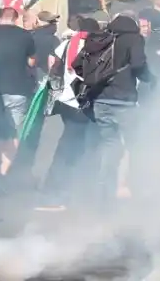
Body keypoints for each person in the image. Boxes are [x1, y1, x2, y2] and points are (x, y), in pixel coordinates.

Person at [72, 13, 154, 207]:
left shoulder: (100, 39)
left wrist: (98, 79)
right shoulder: (134, 39)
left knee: (110, 144)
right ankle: (126, 186)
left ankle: (104, 185)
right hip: (124, 100)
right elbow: (138, 65)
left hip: (100, 100)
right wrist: (152, 79)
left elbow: (77, 65)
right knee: (131, 144)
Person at [38, 17, 100, 210]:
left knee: (70, 145)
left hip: (67, 101)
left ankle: (58, 190)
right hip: (87, 102)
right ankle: (69, 192)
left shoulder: (66, 44)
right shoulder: (98, 45)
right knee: (84, 147)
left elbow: (54, 68)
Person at [0, 7, 36, 177]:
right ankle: (3, 173)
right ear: (16, 19)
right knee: (13, 133)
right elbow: (31, 62)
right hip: (18, 90)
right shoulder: (25, 35)